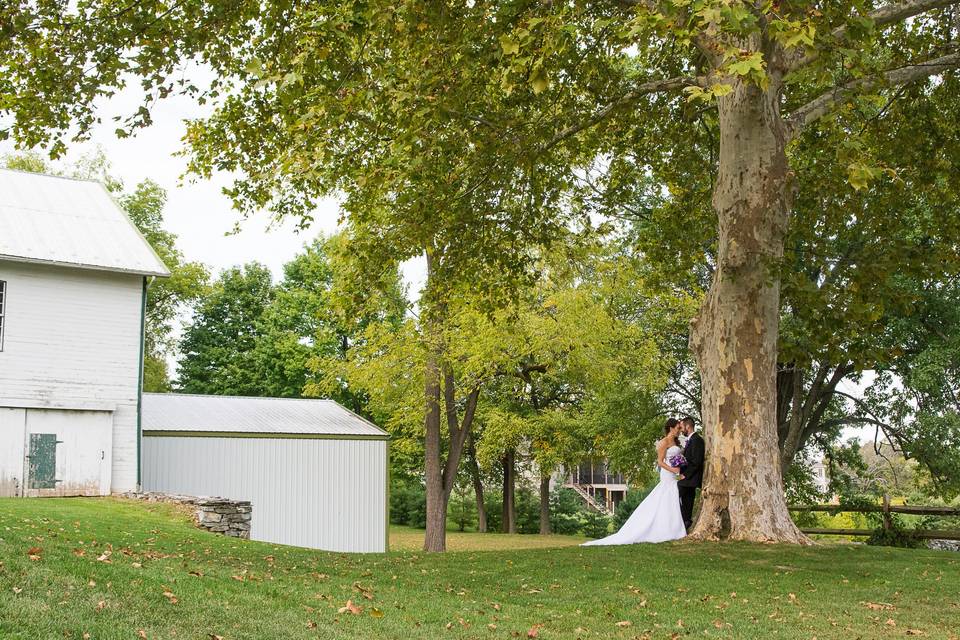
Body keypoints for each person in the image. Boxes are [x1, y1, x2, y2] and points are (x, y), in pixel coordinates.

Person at [581, 418, 686, 546]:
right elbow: (660, 462)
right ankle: (661, 528)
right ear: (671, 428)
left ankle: (673, 527)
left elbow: (675, 460)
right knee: (665, 496)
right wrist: (674, 470)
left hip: (673, 474)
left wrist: (678, 472)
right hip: (667, 473)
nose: (679, 431)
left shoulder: (676, 442)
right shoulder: (663, 442)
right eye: (677, 428)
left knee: (672, 497)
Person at [677, 415, 705, 531]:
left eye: (682, 427)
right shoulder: (691, 440)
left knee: (673, 495)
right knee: (687, 502)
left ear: (688, 426)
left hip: (690, 479)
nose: (681, 429)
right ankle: (686, 522)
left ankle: (682, 522)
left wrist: (685, 475)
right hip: (688, 479)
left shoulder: (697, 440)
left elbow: (696, 462)